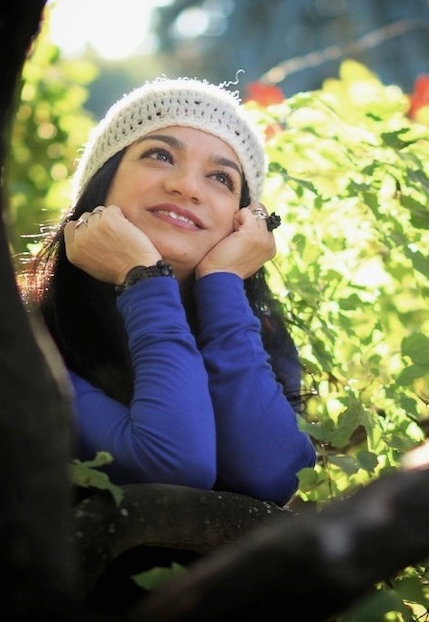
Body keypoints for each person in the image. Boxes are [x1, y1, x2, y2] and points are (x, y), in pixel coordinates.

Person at [20, 76, 316, 507]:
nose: (188, 187)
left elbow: (271, 474)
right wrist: (143, 279)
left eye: (220, 178)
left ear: (242, 221)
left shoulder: (262, 336)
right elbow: (171, 462)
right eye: (159, 154)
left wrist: (223, 284)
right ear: (101, 182)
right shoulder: (20, 328)